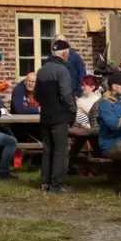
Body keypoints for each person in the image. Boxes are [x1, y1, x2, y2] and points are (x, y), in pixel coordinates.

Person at [35, 40, 77, 193]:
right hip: (59, 115)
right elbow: (66, 94)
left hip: (45, 114)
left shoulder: (42, 70)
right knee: (60, 150)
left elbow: (36, 95)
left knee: (47, 149)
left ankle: (44, 182)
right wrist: (73, 109)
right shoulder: (62, 70)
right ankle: (56, 185)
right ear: (65, 53)